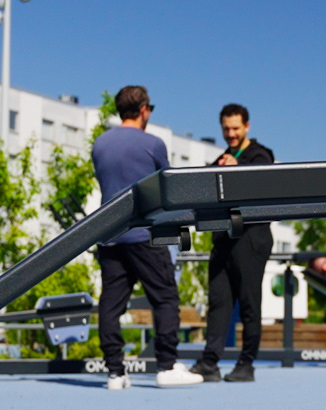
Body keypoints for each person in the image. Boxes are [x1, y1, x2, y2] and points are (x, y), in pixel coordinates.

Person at [92, 85, 200, 390]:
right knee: (165, 297)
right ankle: (166, 366)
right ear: (143, 110)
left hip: (110, 235)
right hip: (144, 235)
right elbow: (168, 190)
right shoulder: (153, 144)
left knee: (111, 305)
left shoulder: (100, 144)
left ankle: (115, 372)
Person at [192, 103, 275, 382]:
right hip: (224, 241)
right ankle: (210, 362)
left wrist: (237, 166)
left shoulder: (259, 154)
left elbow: (263, 177)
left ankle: (246, 363)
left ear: (247, 127)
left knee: (249, 303)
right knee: (218, 301)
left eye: (236, 128)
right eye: (226, 129)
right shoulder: (222, 157)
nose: (231, 134)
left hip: (251, 239)